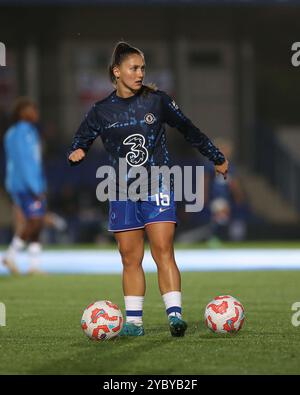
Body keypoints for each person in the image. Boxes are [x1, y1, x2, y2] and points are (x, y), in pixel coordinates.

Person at [68, 42, 228, 337]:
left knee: (163, 249)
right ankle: (134, 323)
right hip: (120, 188)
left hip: (157, 183)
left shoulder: (157, 101)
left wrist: (216, 157)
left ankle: (175, 315)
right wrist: (77, 150)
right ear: (117, 72)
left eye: (142, 68)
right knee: (130, 257)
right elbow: (81, 139)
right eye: (134, 68)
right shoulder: (101, 111)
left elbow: (189, 129)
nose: (140, 73)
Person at [2, 98, 47, 275]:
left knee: (38, 221)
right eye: (32, 110)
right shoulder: (23, 133)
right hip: (26, 184)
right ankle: (11, 255)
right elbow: (25, 162)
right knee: (35, 220)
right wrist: (35, 187)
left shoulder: (16, 132)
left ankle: (34, 266)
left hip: (20, 182)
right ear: (22, 113)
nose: (35, 113)